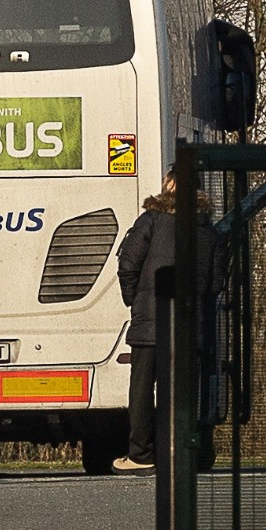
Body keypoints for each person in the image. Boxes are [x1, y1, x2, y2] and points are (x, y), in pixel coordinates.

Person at [113, 173, 217, 474]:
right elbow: (216, 278)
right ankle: (181, 452)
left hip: (151, 319)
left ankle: (141, 455)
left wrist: (136, 300)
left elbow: (128, 264)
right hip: (188, 320)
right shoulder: (206, 228)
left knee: (142, 389)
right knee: (183, 392)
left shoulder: (152, 220)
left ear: (169, 186)